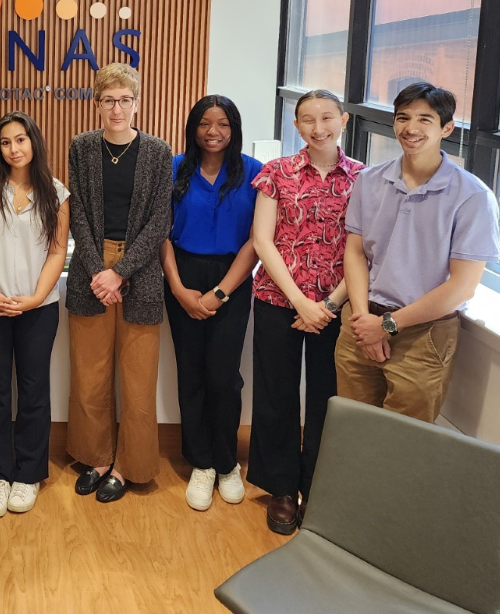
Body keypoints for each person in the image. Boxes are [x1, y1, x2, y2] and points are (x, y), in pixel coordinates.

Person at [336, 82, 499, 422]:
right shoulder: (369, 180)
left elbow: (462, 287)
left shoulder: (472, 196)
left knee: (406, 443)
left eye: (425, 119)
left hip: (423, 333)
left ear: (447, 128)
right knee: (352, 432)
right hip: (361, 321)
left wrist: (388, 326)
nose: (411, 128)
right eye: (403, 117)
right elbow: (355, 253)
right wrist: (366, 320)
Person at [247, 89, 363, 534]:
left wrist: (329, 305)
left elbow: (363, 249)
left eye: (327, 118)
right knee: (275, 394)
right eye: (308, 120)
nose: (319, 127)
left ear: (344, 120)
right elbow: (263, 240)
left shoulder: (363, 178)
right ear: (296, 126)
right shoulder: (277, 173)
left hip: (337, 305)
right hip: (280, 300)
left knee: (327, 399)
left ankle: (318, 486)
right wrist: (299, 301)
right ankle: (280, 487)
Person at [66, 62, 173, 504]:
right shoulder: (82, 147)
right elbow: (77, 214)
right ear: (96, 104)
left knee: (137, 378)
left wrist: (121, 271)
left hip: (140, 270)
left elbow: (160, 218)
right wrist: (98, 270)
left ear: (136, 103)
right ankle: (95, 457)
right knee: (89, 376)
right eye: (108, 100)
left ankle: (130, 465)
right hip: (92, 269)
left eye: (125, 100)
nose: (116, 108)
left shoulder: (158, 151)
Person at [0, 111, 70, 517]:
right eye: (6, 141)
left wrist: (35, 297)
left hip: (37, 308)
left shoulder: (56, 192)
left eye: (21, 139)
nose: (14, 148)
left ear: (34, 142)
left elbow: (58, 251)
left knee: (33, 390)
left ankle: (27, 474)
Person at [161, 94, 261, 513]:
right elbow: (160, 232)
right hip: (181, 273)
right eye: (205, 122)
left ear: (234, 128)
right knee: (192, 373)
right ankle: (200, 462)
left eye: (223, 123)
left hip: (232, 277)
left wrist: (220, 292)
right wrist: (180, 290)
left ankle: (227, 463)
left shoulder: (254, 173)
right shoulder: (174, 168)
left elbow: (258, 241)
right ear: (193, 126)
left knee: (224, 376)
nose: (213, 131)